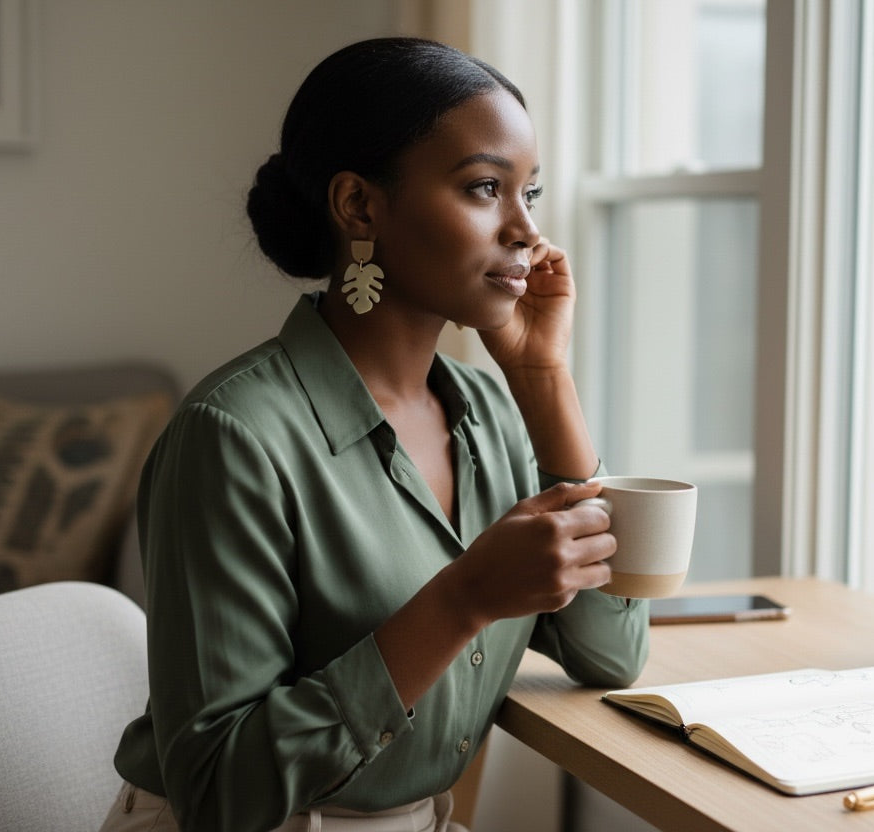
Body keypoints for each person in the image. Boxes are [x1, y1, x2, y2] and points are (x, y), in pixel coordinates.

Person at [98, 37, 649, 832]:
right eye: (486, 188)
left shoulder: (490, 415)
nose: (527, 230)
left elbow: (612, 655)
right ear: (359, 205)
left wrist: (542, 379)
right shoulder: (232, 438)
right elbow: (217, 792)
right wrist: (463, 598)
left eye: (530, 192)